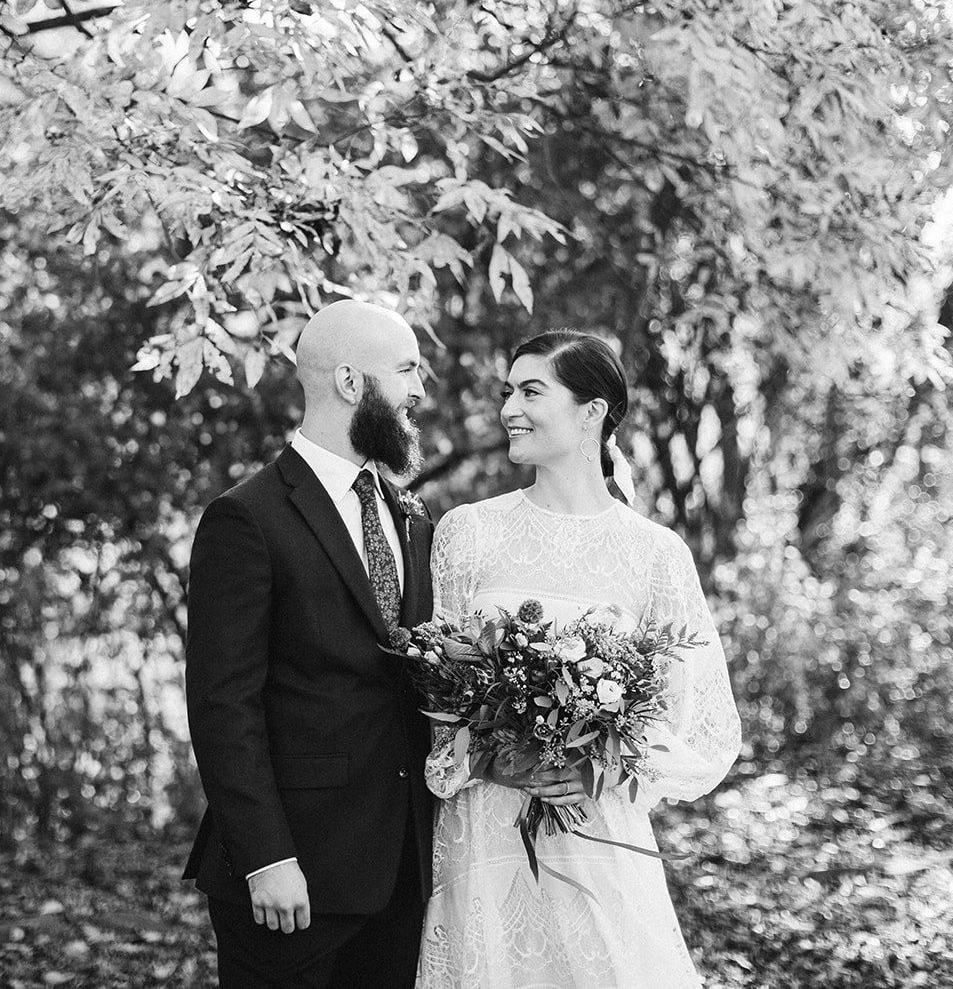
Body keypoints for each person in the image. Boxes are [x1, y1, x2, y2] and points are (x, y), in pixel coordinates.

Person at [417, 329, 742, 989]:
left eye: (531, 391)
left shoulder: (655, 553)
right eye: (507, 391)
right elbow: (437, 696)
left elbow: (698, 724)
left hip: (599, 842)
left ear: (593, 411)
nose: (509, 407)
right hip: (487, 836)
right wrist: (499, 754)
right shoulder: (467, 531)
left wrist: (605, 769)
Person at [184, 299, 436, 988]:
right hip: (290, 881)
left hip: (401, 873)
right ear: (352, 382)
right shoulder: (246, 517)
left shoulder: (411, 516)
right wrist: (266, 858)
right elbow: (221, 703)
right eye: (407, 369)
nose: (419, 390)